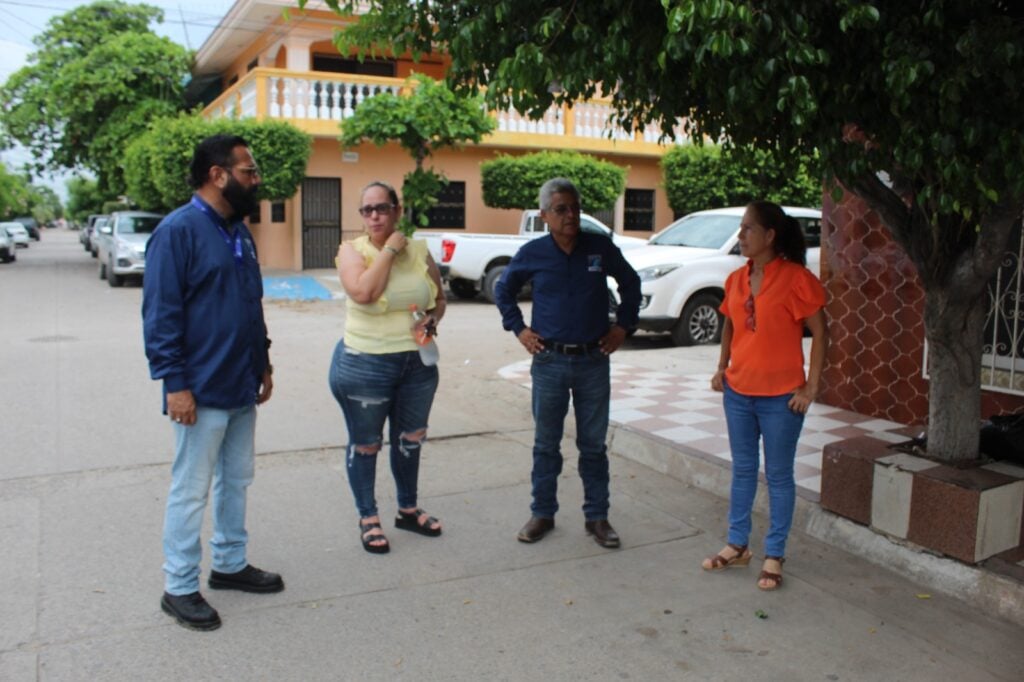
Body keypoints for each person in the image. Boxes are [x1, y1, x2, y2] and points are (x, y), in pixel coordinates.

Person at [143, 134, 283, 631]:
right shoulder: (177, 232)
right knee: (191, 489)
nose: (256, 179)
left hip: (241, 382)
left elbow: (251, 302)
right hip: (199, 390)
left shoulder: (238, 232)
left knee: (236, 480)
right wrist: (174, 384)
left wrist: (262, 362)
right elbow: (161, 315)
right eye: (248, 170)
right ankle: (179, 586)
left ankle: (228, 563)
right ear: (217, 174)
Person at [495, 177, 641, 548]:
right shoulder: (534, 253)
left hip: (594, 360)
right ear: (545, 215)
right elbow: (504, 290)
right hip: (549, 362)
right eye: (561, 209)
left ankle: (598, 517)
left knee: (593, 446)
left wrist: (622, 327)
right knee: (546, 444)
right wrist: (520, 330)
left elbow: (631, 284)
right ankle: (542, 513)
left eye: (575, 207)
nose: (571, 215)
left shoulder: (599, 247)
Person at [702, 200, 828, 591]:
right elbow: (730, 325)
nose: (740, 236)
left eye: (747, 229)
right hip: (738, 392)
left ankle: (774, 554)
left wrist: (811, 387)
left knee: (777, 475)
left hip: (781, 398)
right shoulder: (736, 280)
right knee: (742, 470)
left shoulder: (796, 279)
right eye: (741, 230)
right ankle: (737, 544)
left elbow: (822, 334)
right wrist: (722, 366)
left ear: (770, 235)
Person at [329, 181, 446, 554]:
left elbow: (438, 298)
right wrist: (391, 249)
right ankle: (368, 517)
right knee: (366, 444)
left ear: (397, 209)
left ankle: (407, 510)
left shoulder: (421, 252)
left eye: (382, 208)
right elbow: (365, 292)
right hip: (365, 364)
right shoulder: (352, 251)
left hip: (417, 364)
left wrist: (432, 317)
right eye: (367, 210)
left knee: (410, 440)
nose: (375, 216)